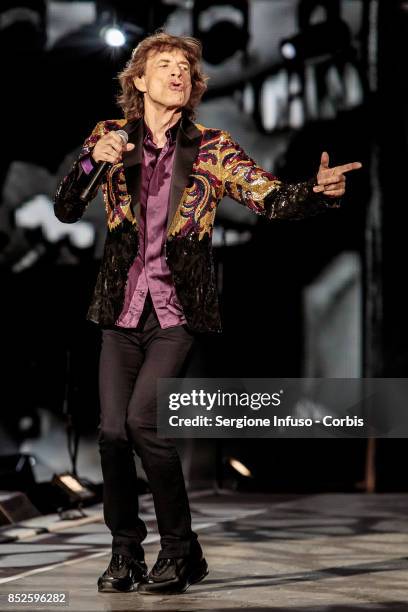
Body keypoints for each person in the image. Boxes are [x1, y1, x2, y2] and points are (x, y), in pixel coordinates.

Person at [54, 31, 362, 596]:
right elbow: (66, 208)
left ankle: (177, 550)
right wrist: (88, 165)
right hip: (121, 310)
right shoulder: (110, 137)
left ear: (193, 87)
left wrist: (319, 193)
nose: (177, 73)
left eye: (185, 69)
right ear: (139, 81)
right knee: (112, 435)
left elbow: (269, 197)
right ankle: (126, 552)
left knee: (145, 424)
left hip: (176, 310)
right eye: (165, 65)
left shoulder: (214, 147)